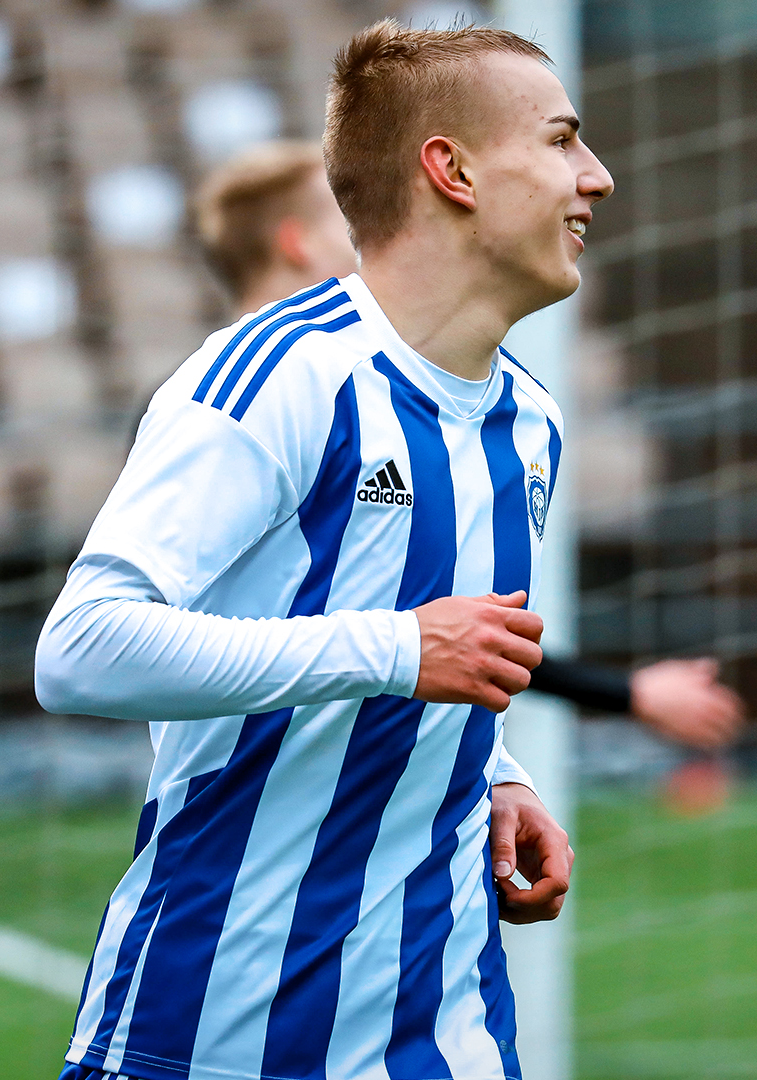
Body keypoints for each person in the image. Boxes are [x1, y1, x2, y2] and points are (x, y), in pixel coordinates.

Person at [36, 22, 609, 1080]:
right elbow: (81, 651)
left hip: (442, 1027)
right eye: (563, 140)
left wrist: (496, 777)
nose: (597, 177)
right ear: (454, 169)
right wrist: (394, 651)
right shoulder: (280, 376)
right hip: (211, 1026)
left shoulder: (530, 421)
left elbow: (429, 644)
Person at [194, 139, 745, 751]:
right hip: (256, 790)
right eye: (350, 222)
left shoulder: (385, 391)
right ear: (298, 242)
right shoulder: (227, 405)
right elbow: (136, 635)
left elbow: (438, 628)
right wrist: (625, 695)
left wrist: (501, 775)